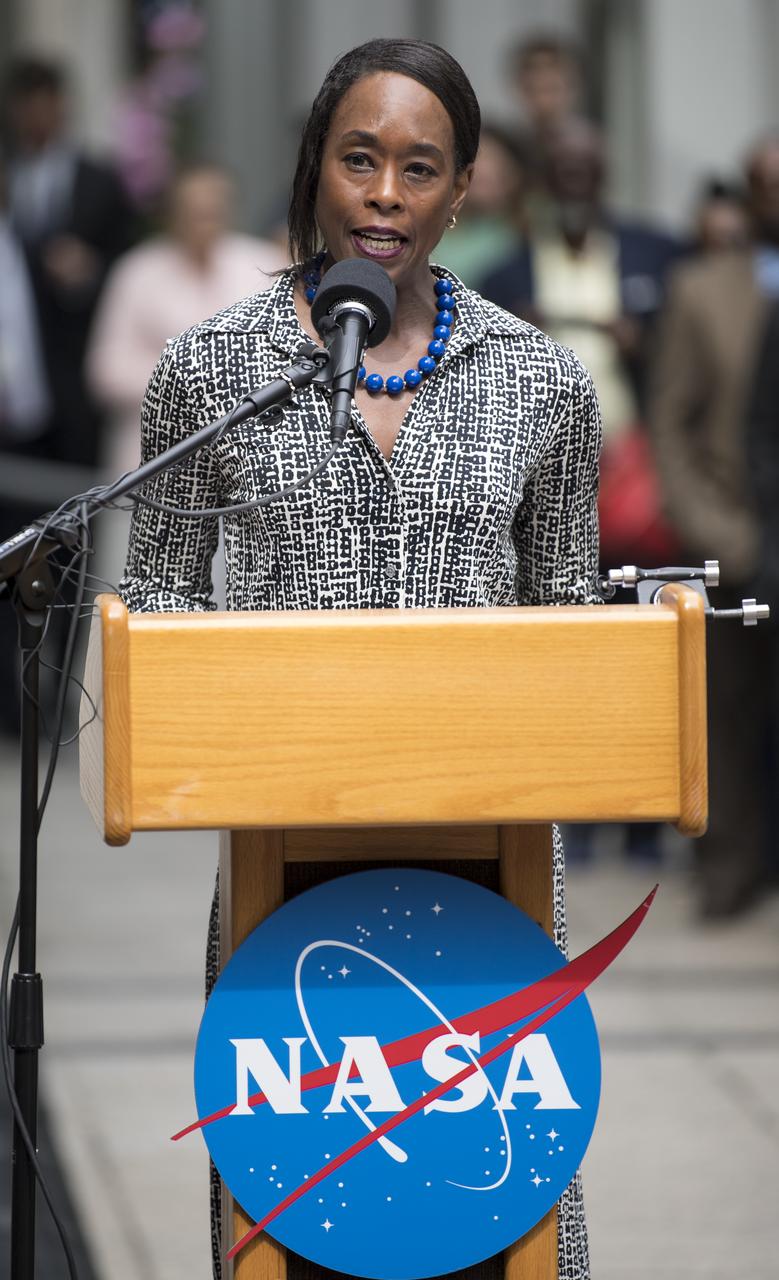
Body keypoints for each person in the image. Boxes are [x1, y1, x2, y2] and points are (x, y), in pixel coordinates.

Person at [119, 38, 601, 1279]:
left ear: (463, 187)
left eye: (419, 167)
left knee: (491, 1211)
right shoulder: (211, 371)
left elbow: (572, 635)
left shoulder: (538, 380)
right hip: (288, 871)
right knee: (304, 1213)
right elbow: (160, 609)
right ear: (316, 168)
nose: (385, 192)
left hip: (491, 878)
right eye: (359, 158)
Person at [648, 135, 779, 917]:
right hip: (734, 534)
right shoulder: (702, 289)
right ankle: (730, 872)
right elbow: (670, 422)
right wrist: (710, 529)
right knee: (724, 716)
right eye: (767, 185)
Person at [87, 163, 287, 477]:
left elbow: (289, 355)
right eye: (194, 212)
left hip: (246, 462)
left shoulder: (264, 265)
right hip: (152, 462)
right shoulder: (136, 272)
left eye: (213, 210)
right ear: (172, 214)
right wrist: (197, 378)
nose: (204, 222)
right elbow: (107, 370)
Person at [4, 56, 134, 466]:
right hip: (19, 357)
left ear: (62, 105)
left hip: (80, 355)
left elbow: (127, 257)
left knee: (76, 486)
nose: (37, 117)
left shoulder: (98, 178)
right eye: (27, 107)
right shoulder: (8, 174)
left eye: (45, 104)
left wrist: (91, 269)